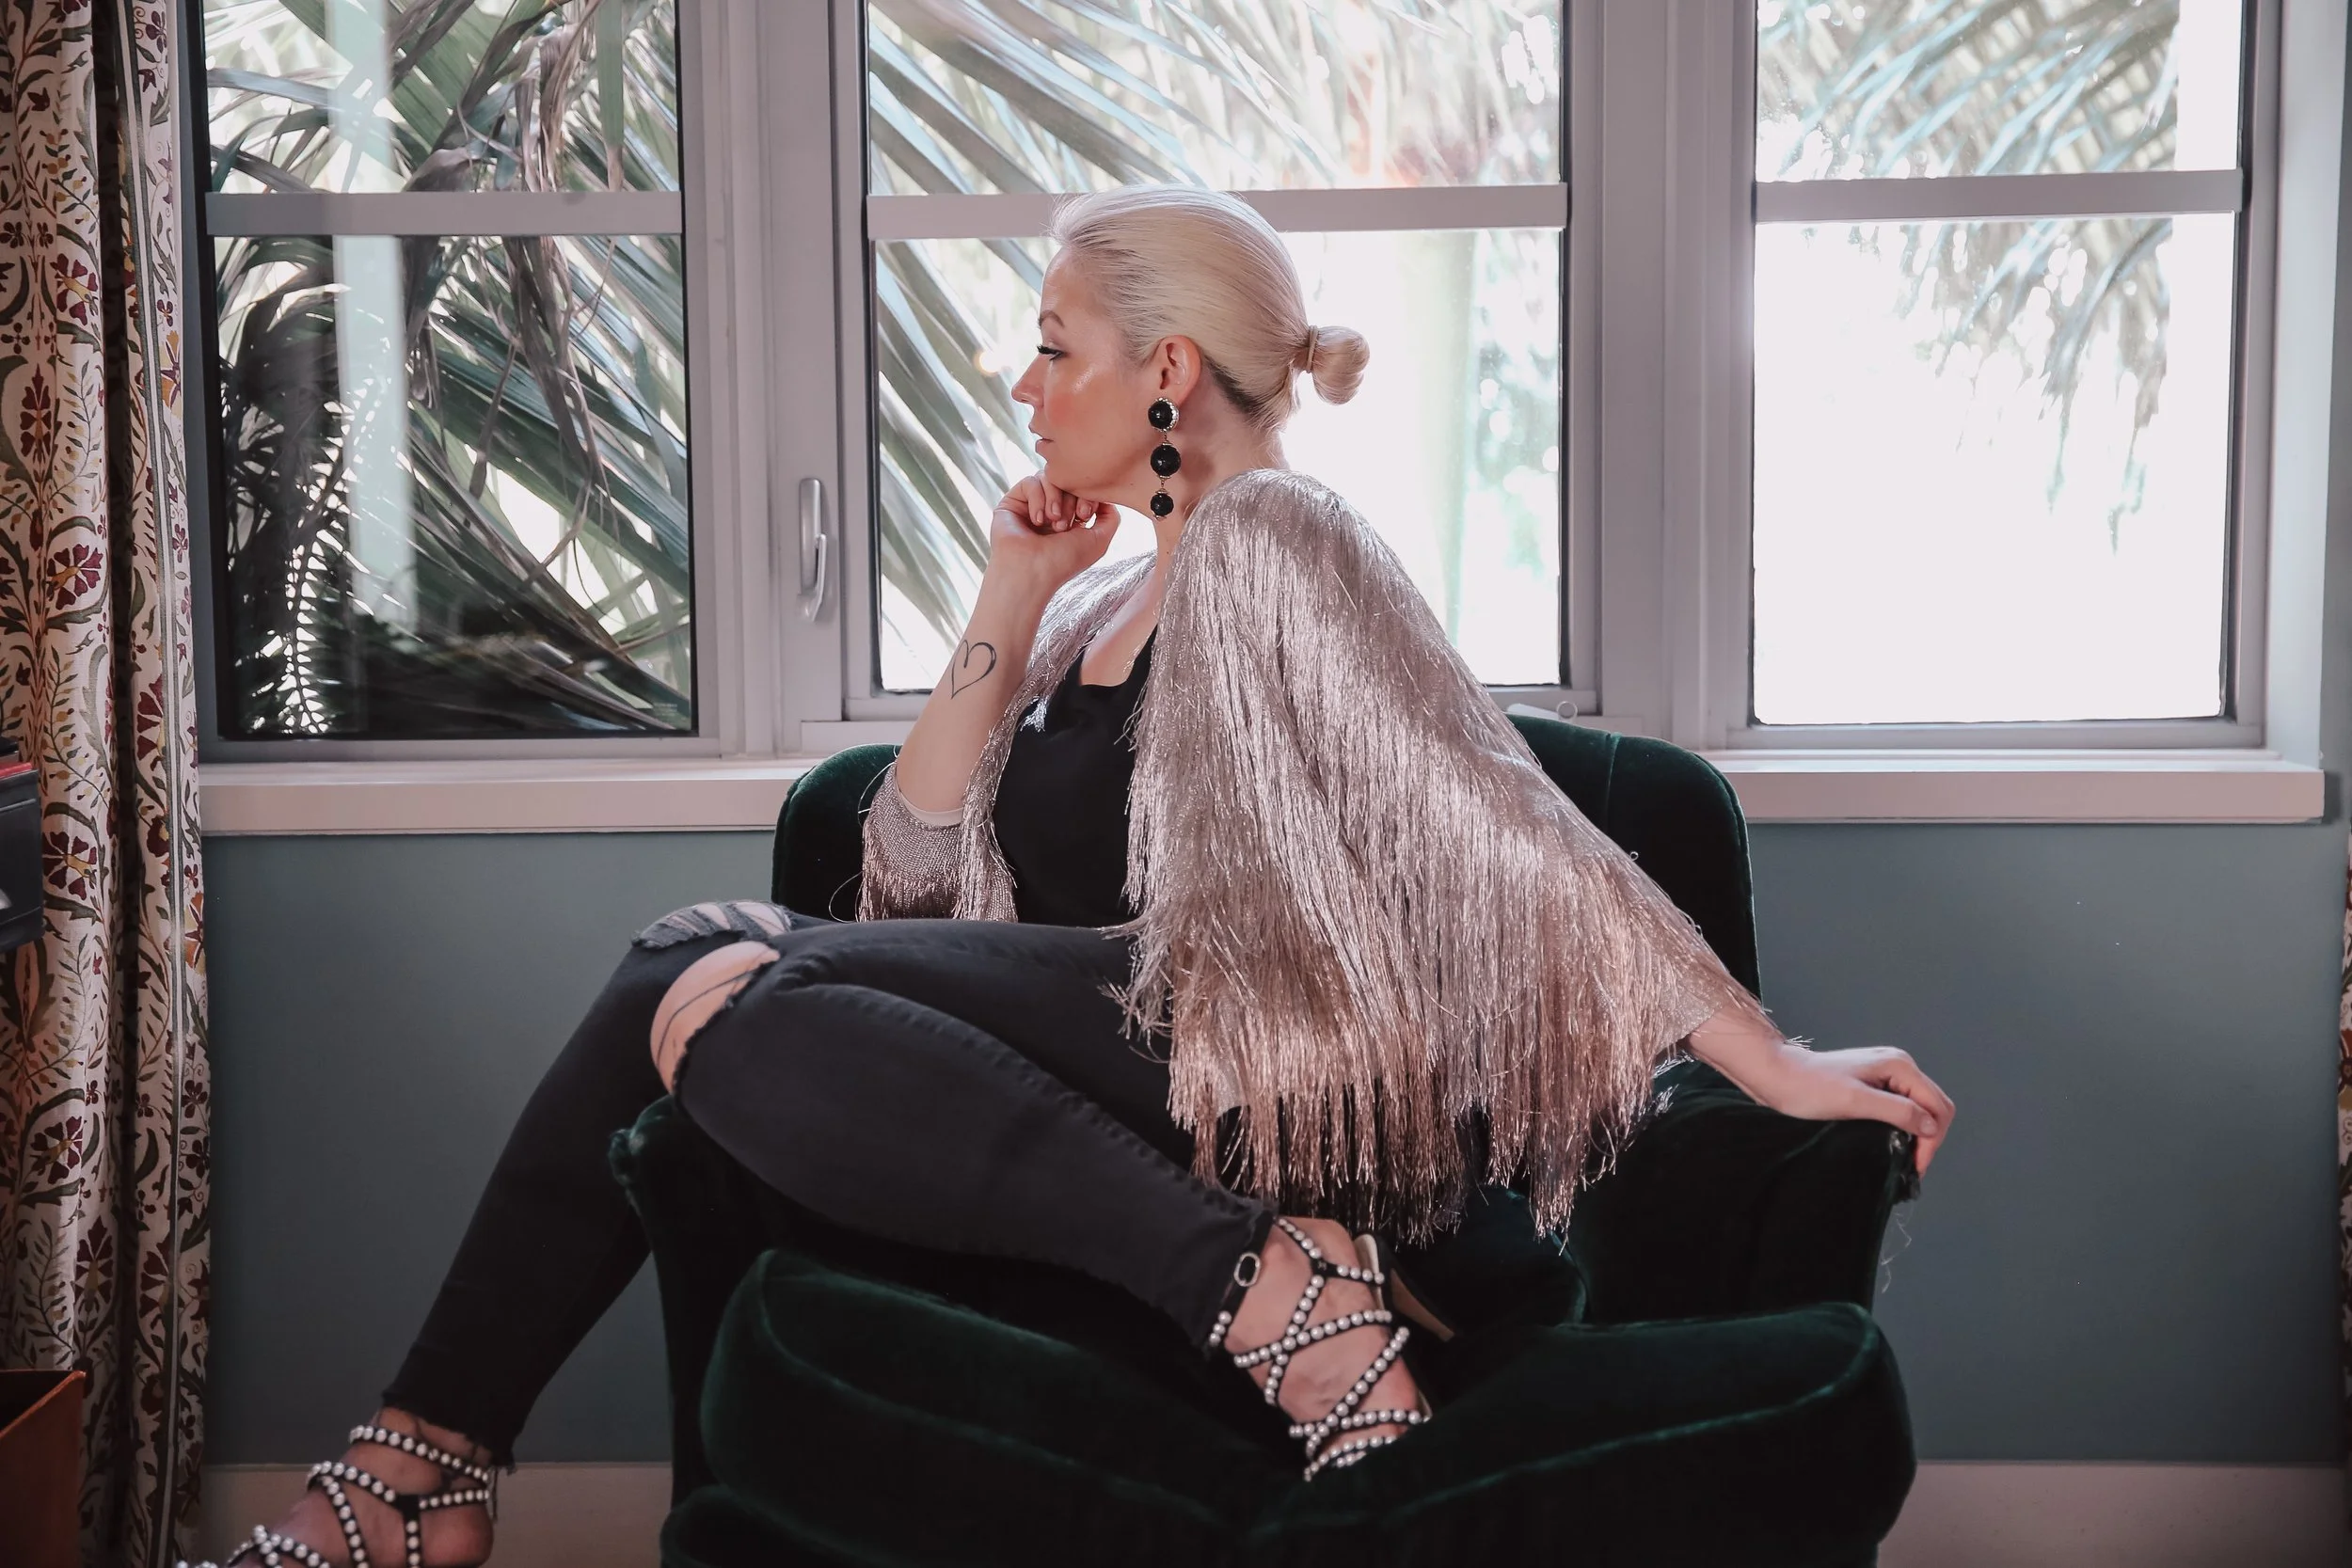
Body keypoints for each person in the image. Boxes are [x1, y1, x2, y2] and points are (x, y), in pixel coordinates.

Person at [190, 185, 1955, 1568]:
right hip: (1130, 1088)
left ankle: (411, 1481)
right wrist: (1007, 598)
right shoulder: (1106, 600)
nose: (1022, 387)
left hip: (1274, 1080)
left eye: (1055, 350)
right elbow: (902, 910)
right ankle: (1257, 1288)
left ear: (1165, 372)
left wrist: (1765, 1052)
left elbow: (1506, 817)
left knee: (701, 967)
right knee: (720, 989)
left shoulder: (1281, 538)